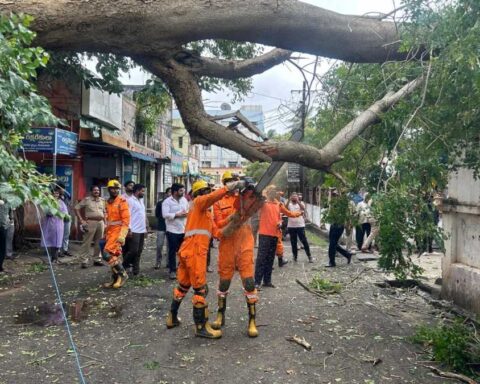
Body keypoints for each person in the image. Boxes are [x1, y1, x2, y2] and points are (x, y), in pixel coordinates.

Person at [166, 178, 242, 339]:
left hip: (189, 251)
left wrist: (233, 219)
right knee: (200, 290)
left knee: (183, 286)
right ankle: (200, 327)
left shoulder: (205, 213)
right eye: (207, 191)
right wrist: (227, 188)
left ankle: (172, 318)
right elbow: (210, 198)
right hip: (195, 251)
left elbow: (218, 233)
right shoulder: (198, 202)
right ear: (200, 193)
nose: (209, 193)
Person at [211, 171, 258, 338]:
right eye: (229, 182)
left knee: (249, 282)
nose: (232, 184)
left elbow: (257, 198)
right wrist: (231, 218)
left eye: (234, 181)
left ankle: (252, 320)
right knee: (224, 283)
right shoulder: (217, 203)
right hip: (227, 245)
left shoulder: (245, 197)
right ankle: (220, 315)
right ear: (224, 184)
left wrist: (251, 185)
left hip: (245, 243)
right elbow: (217, 226)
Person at [254, 185, 302, 288]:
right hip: (264, 235)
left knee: (270, 259)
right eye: (272, 191)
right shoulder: (263, 203)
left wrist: (298, 213)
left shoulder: (278, 204)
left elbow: (287, 214)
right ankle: (257, 282)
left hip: (275, 235)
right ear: (268, 192)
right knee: (261, 259)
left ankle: (267, 281)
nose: (273, 193)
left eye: (275, 191)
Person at [101, 180, 130, 289]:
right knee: (114, 257)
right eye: (113, 188)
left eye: (117, 189)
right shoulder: (108, 202)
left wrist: (122, 235)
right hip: (110, 232)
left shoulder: (122, 201)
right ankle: (115, 279)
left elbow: (126, 221)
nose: (115, 190)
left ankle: (123, 275)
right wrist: (105, 233)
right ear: (109, 189)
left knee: (106, 254)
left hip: (118, 233)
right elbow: (109, 220)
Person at [74, 185, 106, 268]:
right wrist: (81, 220)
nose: (97, 192)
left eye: (98, 190)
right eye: (95, 190)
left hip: (101, 222)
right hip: (90, 222)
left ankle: (97, 259)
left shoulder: (102, 200)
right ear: (91, 191)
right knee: (87, 242)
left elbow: (105, 212)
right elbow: (76, 208)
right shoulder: (87, 200)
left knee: (99, 242)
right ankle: (84, 261)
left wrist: (106, 223)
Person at [162, 183, 189, 280]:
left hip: (183, 229)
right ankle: (172, 270)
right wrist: (177, 215)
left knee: (183, 251)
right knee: (172, 251)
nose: (183, 192)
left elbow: (187, 210)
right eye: (181, 191)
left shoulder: (184, 200)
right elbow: (165, 215)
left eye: (183, 190)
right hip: (172, 230)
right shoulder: (167, 202)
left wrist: (186, 214)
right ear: (175, 192)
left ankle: (181, 268)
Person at [123, 184, 148, 276]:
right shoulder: (129, 201)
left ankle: (136, 270)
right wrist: (129, 229)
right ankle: (123, 266)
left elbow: (143, 215)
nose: (144, 193)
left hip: (141, 229)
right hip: (134, 229)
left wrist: (146, 228)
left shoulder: (141, 200)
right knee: (133, 250)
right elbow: (127, 215)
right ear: (137, 191)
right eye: (142, 191)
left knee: (139, 251)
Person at [324, 189, 353, 267]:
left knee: (332, 244)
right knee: (333, 243)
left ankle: (332, 262)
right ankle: (347, 255)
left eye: (335, 195)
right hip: (336, 224)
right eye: (333, 195)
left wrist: (348, 226)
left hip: (338, 225)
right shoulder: (339, 203)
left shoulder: (342, 203)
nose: (334, 196)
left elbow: (346, 215)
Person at [41, 186, 68, 263]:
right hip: (50, 223)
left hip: (59, 223)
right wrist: (52, 212)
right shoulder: (48, 202)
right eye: (54, 193)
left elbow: (65, 213)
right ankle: (53, 257)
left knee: (58, 240)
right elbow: (46, 211)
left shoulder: (61, 202)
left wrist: (61, 214)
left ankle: (55, 257)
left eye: (57, 193)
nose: (56, 194)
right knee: (51, 240)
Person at [286, 192, 312, 262]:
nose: (294, 197)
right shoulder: (289, 204)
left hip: (300, 226)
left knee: (304, 241)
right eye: (293, 196)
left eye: (295, 196)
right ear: (291, 197)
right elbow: (285, 208)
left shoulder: (301, 203)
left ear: (297, 197)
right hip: (291, 226)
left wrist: (298, 201)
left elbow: (303, 208)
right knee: (293, 242)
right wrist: (289, 200)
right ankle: (295, 256)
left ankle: (309, 256)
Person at [154, 188, 171, 269]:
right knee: (159, 245)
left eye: (172, 192)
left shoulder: (174, 204)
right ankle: (158, 262)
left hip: (170, 228)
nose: (170, 194)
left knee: (169, 246)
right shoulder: (160, 203)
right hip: (161, 227)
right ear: (166, 193)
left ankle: (168, 262)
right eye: (169, 192)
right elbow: (157, 214)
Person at [57, 182, 73, 257]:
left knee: (66, 234)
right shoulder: (55, 197)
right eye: (61, 189)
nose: (63, 190)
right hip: (59, 218)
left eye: (63, 189)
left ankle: (65, 250)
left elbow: (69, 203)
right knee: (59, 235)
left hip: (67, 218)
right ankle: (58, 250)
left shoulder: (67, 196)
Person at [0, 200, 12, 273]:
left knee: (2, 248)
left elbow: (9, 215)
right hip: (2, 226)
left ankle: (0, 266)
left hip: (4, 226)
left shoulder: (8, 203)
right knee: (1, 247)